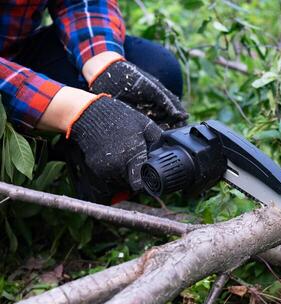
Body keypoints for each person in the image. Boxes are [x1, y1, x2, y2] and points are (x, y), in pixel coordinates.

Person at [0, 0, 188, 202]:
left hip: (14, 54)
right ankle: (45, 173)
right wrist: (78, 112)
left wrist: (103, 65)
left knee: (157, 67)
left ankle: (93, 179)